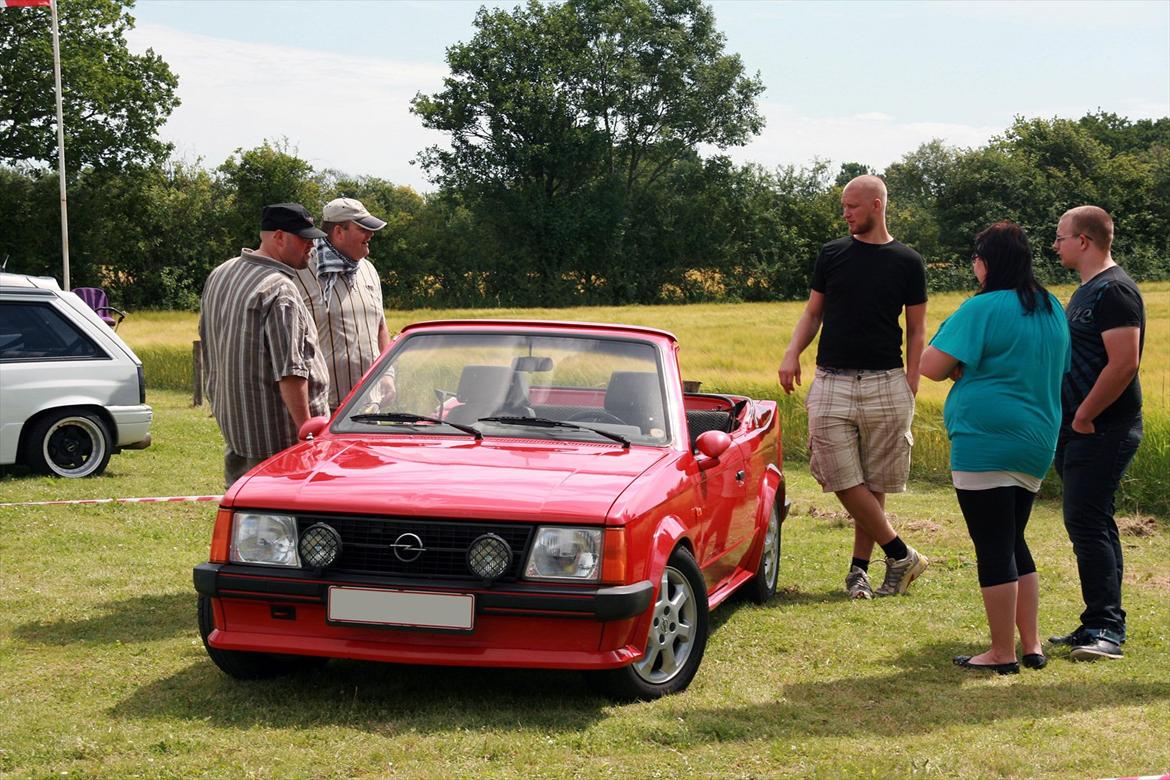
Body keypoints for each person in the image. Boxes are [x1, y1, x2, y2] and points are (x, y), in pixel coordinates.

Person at [921, 221, 1070, 674]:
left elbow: (930, 365)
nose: (973, 265)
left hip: (984, 439)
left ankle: (1001, 652)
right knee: (1013, 539)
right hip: (1037, 440)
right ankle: (1031, 645)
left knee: (991, 544)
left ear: (988, 262)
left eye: (975, 257)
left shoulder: (980, 307)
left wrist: (958, 366)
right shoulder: (1051, 306)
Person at [778, 174, 929, 599]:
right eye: (844, 206)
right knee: (837, 473)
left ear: (877, 205)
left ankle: (859, 572)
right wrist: (792, 352)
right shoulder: (832, 254)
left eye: (852, 206)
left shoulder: (908, 260)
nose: (845, 213)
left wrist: (912, 378)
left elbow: (917, 329)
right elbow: (812, 313)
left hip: (886, 379)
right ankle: (901, 552)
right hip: (831, 379)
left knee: (873, 481)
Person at [1048, 205, 1145, 662]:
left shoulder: (1115, 291)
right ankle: (1097, 621)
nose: (1055, 244)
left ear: (1083, 240)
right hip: (1079, 427)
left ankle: (1107, 628)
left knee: (1086, 521)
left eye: (1061, 237)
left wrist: (1085, 416)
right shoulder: (1087, 290)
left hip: (1103, 427)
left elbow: (1125, 362)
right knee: (1092, 521)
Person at [199, 203, 330, 488]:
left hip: (238, 436)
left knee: (246, 524)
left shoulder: (220, 273)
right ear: (279, 237)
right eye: (304, 238)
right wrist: (307, 434)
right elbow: (291, 372)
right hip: (280, 446)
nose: (312, 245)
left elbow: (209, 349)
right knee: (282, 528)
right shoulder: (278, 289)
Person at [293, 197, 391, 412]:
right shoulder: (300, 271)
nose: (370, 234)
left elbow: (380, 326)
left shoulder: (368, 269)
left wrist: (388, 375)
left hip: (369, 402)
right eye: (363, 228)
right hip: (323, 406)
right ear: (339, 231)